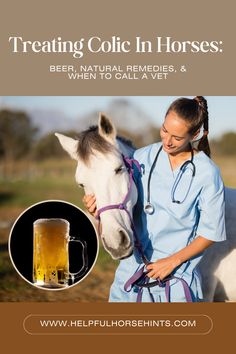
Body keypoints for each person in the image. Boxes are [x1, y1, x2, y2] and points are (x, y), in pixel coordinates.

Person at [83, 96, 226, 302]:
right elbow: (120, 202)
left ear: (194, 134)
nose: (167, 141)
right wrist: (97, 208)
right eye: (164, 130)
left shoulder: (207, 173)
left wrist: (172, 261)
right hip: (131, 276)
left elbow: (210, 233)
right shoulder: (140, 158)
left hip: (176, 280)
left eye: (177, 137)